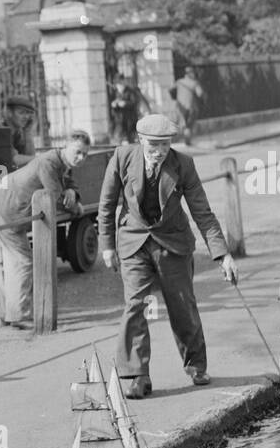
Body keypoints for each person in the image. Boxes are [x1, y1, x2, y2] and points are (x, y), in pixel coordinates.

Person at [97, 114, 238, 399]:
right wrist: (107, 246)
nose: (160, 151)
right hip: (134, 242)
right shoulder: (123, 157)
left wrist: (223, 255)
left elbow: (203, 213)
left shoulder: (183, 164)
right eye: (153, 144)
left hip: (173, 243)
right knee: (135, 305)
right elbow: (107, 203)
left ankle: (196, 364)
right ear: (140, 140)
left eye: (165, 144)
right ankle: (138, 375)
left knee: (182, 306)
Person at [0, 132, 89, 328]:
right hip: (5, 208)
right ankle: (18, 316)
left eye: (85, 155)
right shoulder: (48, 163)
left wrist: (73, 192)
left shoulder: (62, 161)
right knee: (22, 261)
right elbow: (54, 197)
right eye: (78, 152)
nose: (81, 158)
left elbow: (68, 184)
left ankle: (7, 313)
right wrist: (76, 207)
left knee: (4, 260)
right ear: (66, 146)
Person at [3, 94, 38, 165]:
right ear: (9, 112)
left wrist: (27, 131)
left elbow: (29, 156)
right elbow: (15, 160)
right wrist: (40, 158)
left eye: (28, 113)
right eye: (21, 113)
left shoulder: (18, 133)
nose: (26, 117)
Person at [109, 74, 140, 144]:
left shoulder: (130, 91)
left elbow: (135, 103)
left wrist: (125, 103)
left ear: (124, 82)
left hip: (130, 120)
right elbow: (112, 107)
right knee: (118, 138)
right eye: (117, 84)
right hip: (119, 120)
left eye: (120, 83)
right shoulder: (115, 93)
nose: (119, 86)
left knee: (131, 139)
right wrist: (114, 105)